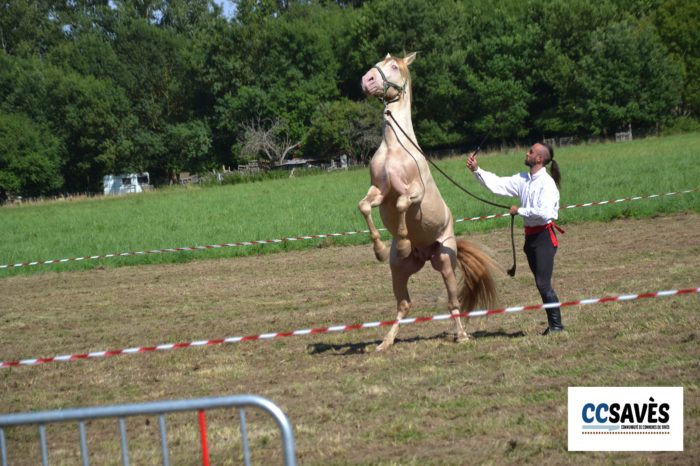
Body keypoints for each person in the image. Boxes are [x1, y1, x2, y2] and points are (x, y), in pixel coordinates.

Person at [466, 143, 565, 334]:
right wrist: (477, 170)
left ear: (539, 159)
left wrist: (519, 210)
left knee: (542, 283)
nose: (526, 153)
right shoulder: (523, 179)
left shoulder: (547, 183)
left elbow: (544, 213)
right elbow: (498, 184)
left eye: (531, 152)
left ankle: (557, 326)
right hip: (530, 240)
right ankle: (554, 325)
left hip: (544, 238)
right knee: (541, 283)